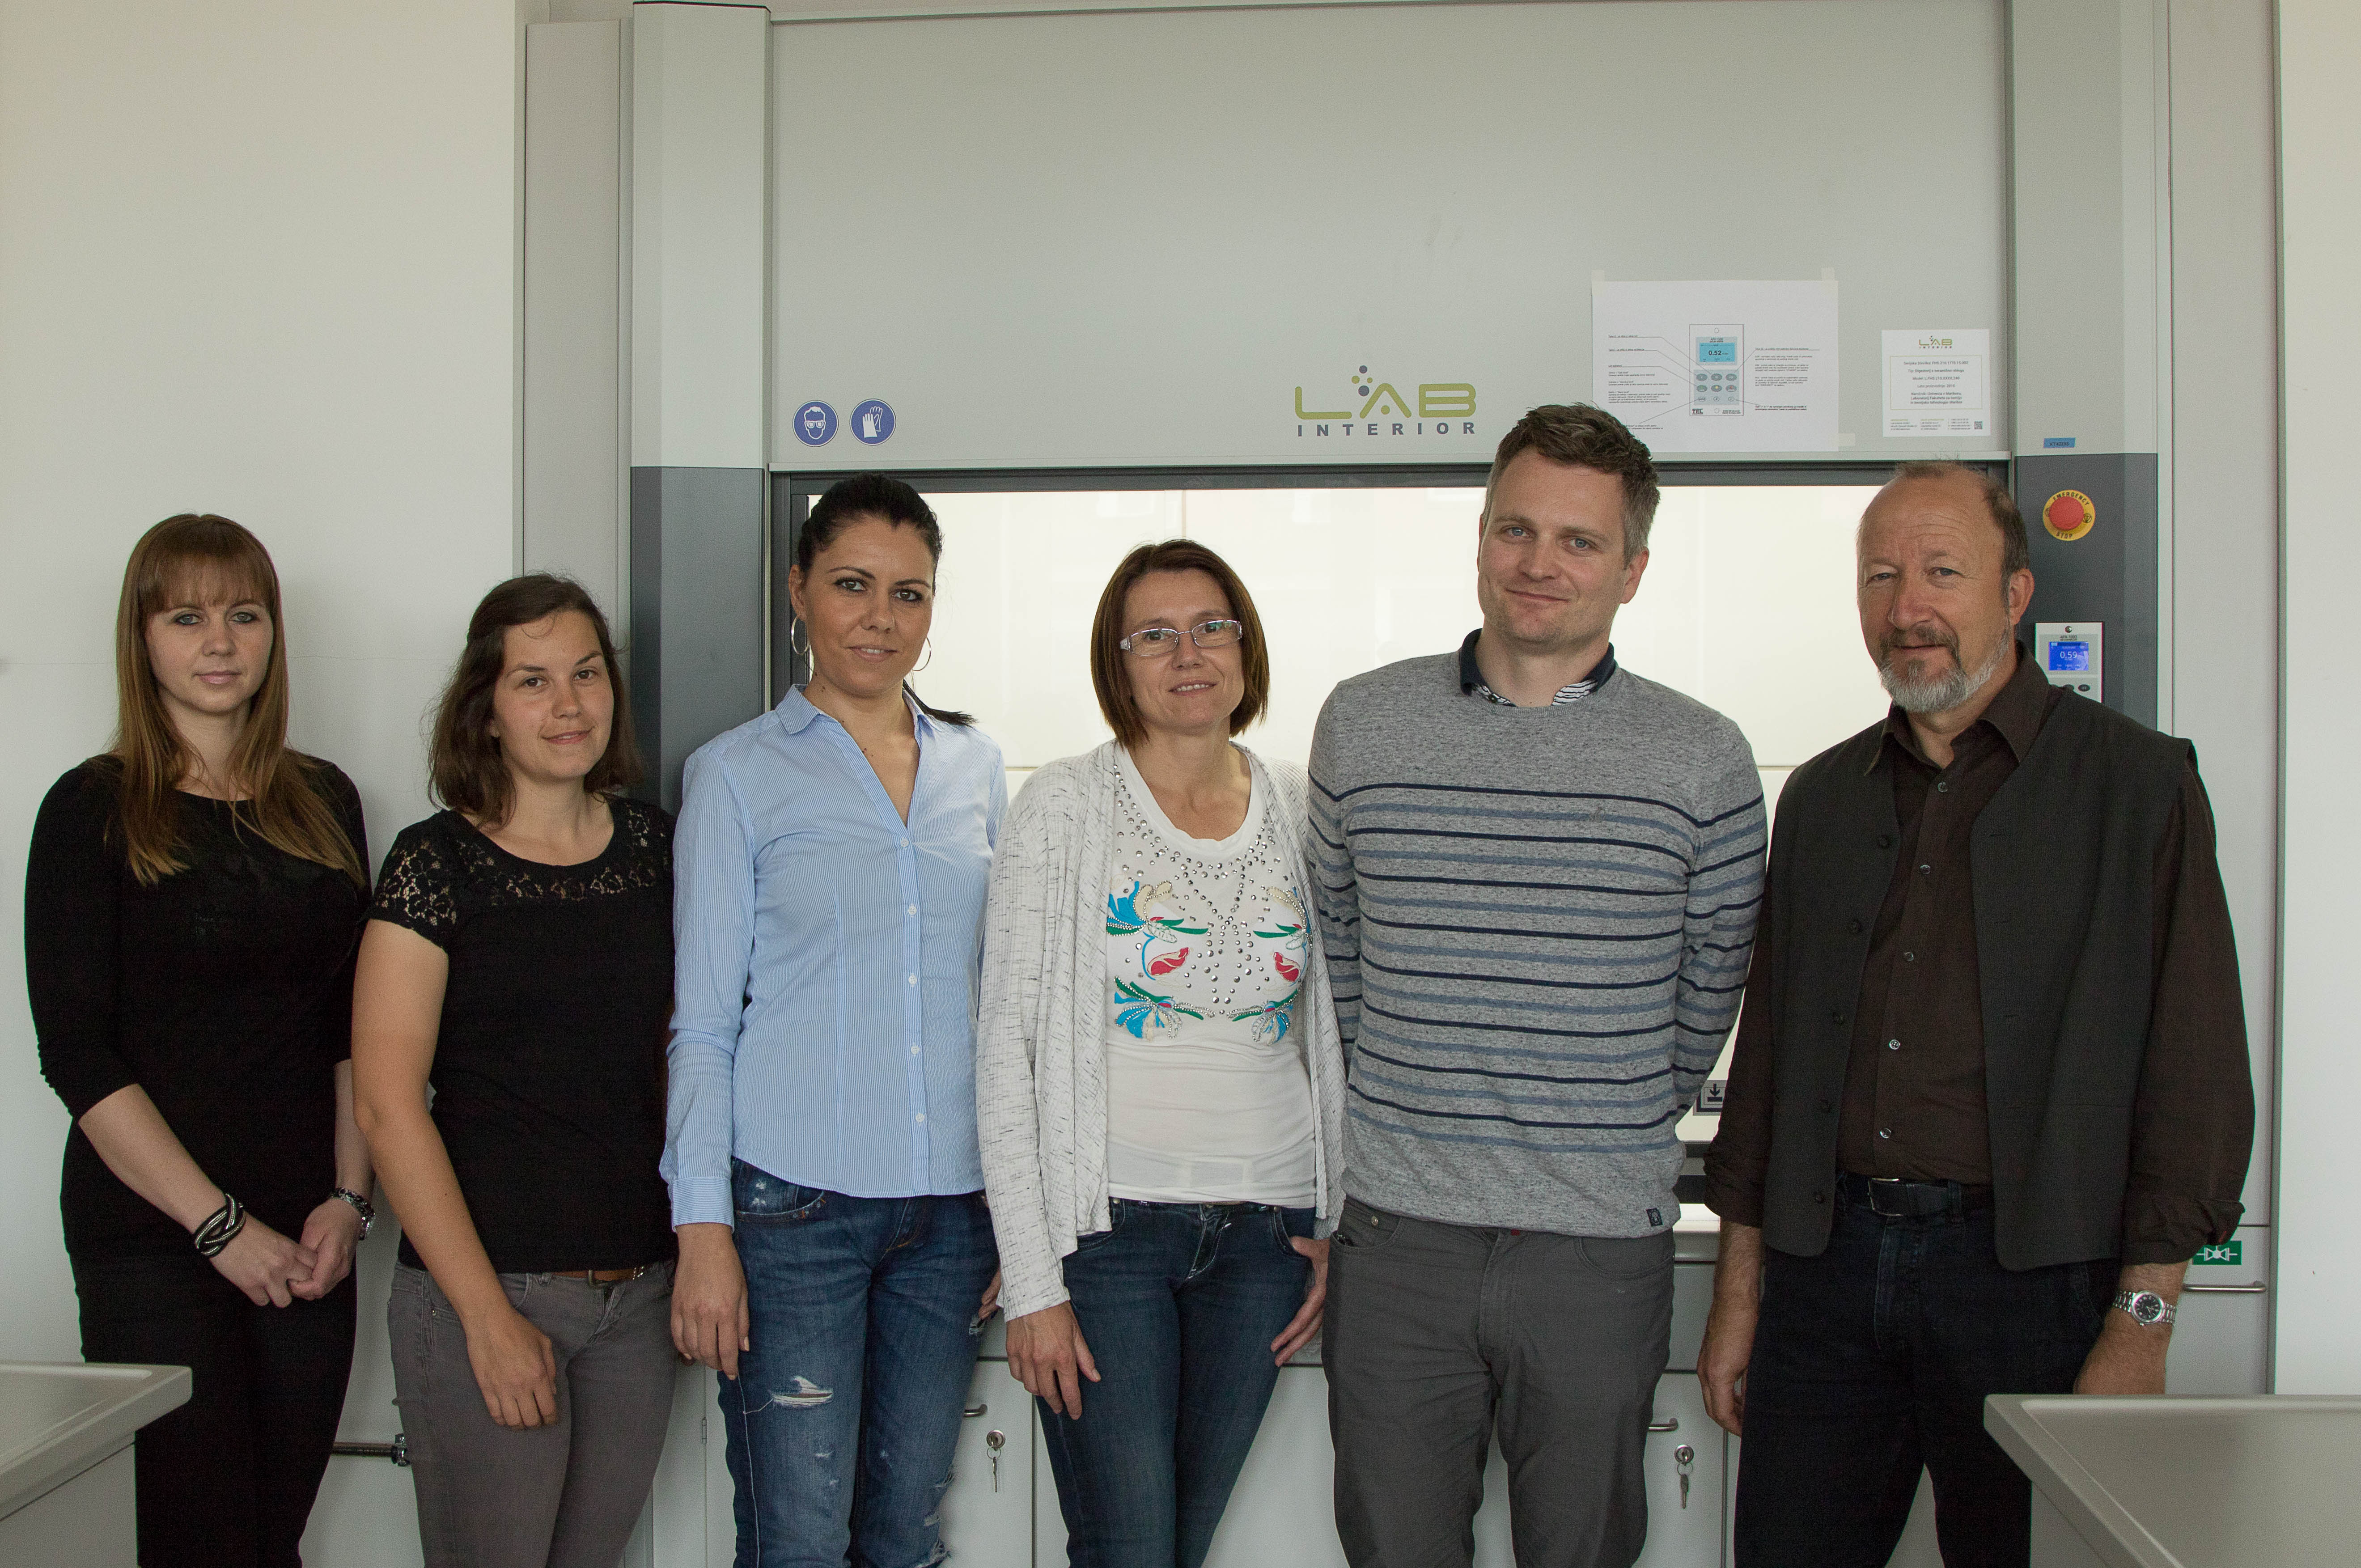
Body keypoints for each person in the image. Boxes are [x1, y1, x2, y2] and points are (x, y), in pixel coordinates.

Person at [1697, 461, 2254, 1568]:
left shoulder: (2138, 786)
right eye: (1881, 576)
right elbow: (1770, 1064)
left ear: (2015, 594)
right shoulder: (1823, 795)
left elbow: (2194, 1069)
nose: (1909, 607)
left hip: (2034, 1286)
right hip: (1826, 1272)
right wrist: (1739, 1294)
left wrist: (2142, 1327)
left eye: (1943, 573)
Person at [1309, 404, 1766, 1568]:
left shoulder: (1703, 757)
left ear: (1633, 570)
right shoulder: (1363, 723)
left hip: (1595, 1248)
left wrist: (1608, 1110)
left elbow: (1713, 982)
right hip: (1398, 1237)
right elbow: (1338, 953)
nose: (1539, 562)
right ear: (1480, 538)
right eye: (1516, 529)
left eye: (1579, 541)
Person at [976, 539, 1347, 1568]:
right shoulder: (1063, 805)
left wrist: (1338, 1218)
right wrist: (1033, 1284)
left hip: (1269, 1239)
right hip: (1108, 1238)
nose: (1189, 653)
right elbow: (1006, 1051)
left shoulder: (1301, 805)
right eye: (1155, 635)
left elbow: (1340, 1029)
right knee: (1130, 1546)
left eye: (1211, 626)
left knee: (1179, 1544)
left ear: (1245, 646)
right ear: (1119, 661)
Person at [665, 473, 1007, 1568]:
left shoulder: (979, 767)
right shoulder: (734, 774)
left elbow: (1004, 1004)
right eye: (853, 585)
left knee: (905, 1532)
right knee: (798, 1540)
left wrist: (1018, 1207)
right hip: (792, 1211)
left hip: (952, 1214)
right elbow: (703, 1023)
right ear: (799, 589)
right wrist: (702, 1228)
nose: (881, 617)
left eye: (910, 593)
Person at [26, 513, 373, 1568]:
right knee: (195, 1541)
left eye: (244, 614)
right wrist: (219, 1227)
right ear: (142, 639)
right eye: (186, 617)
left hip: (310, 1236)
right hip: (153, 1239)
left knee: (273, 1537)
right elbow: (77, 1053)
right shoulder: (90, 808)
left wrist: (350, 1199)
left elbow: (354, 1028)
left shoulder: (325, 800)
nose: (220, 641)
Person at [350, 575, 676, 1568]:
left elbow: (691, 1052)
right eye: (533, 681)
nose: (568, 703)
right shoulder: (435, 863)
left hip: (640, 1299)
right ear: (486, 709)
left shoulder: (658, 848)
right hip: (489, 1292)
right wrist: (486, 1318)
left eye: (587, 673)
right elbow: (386, 1106)